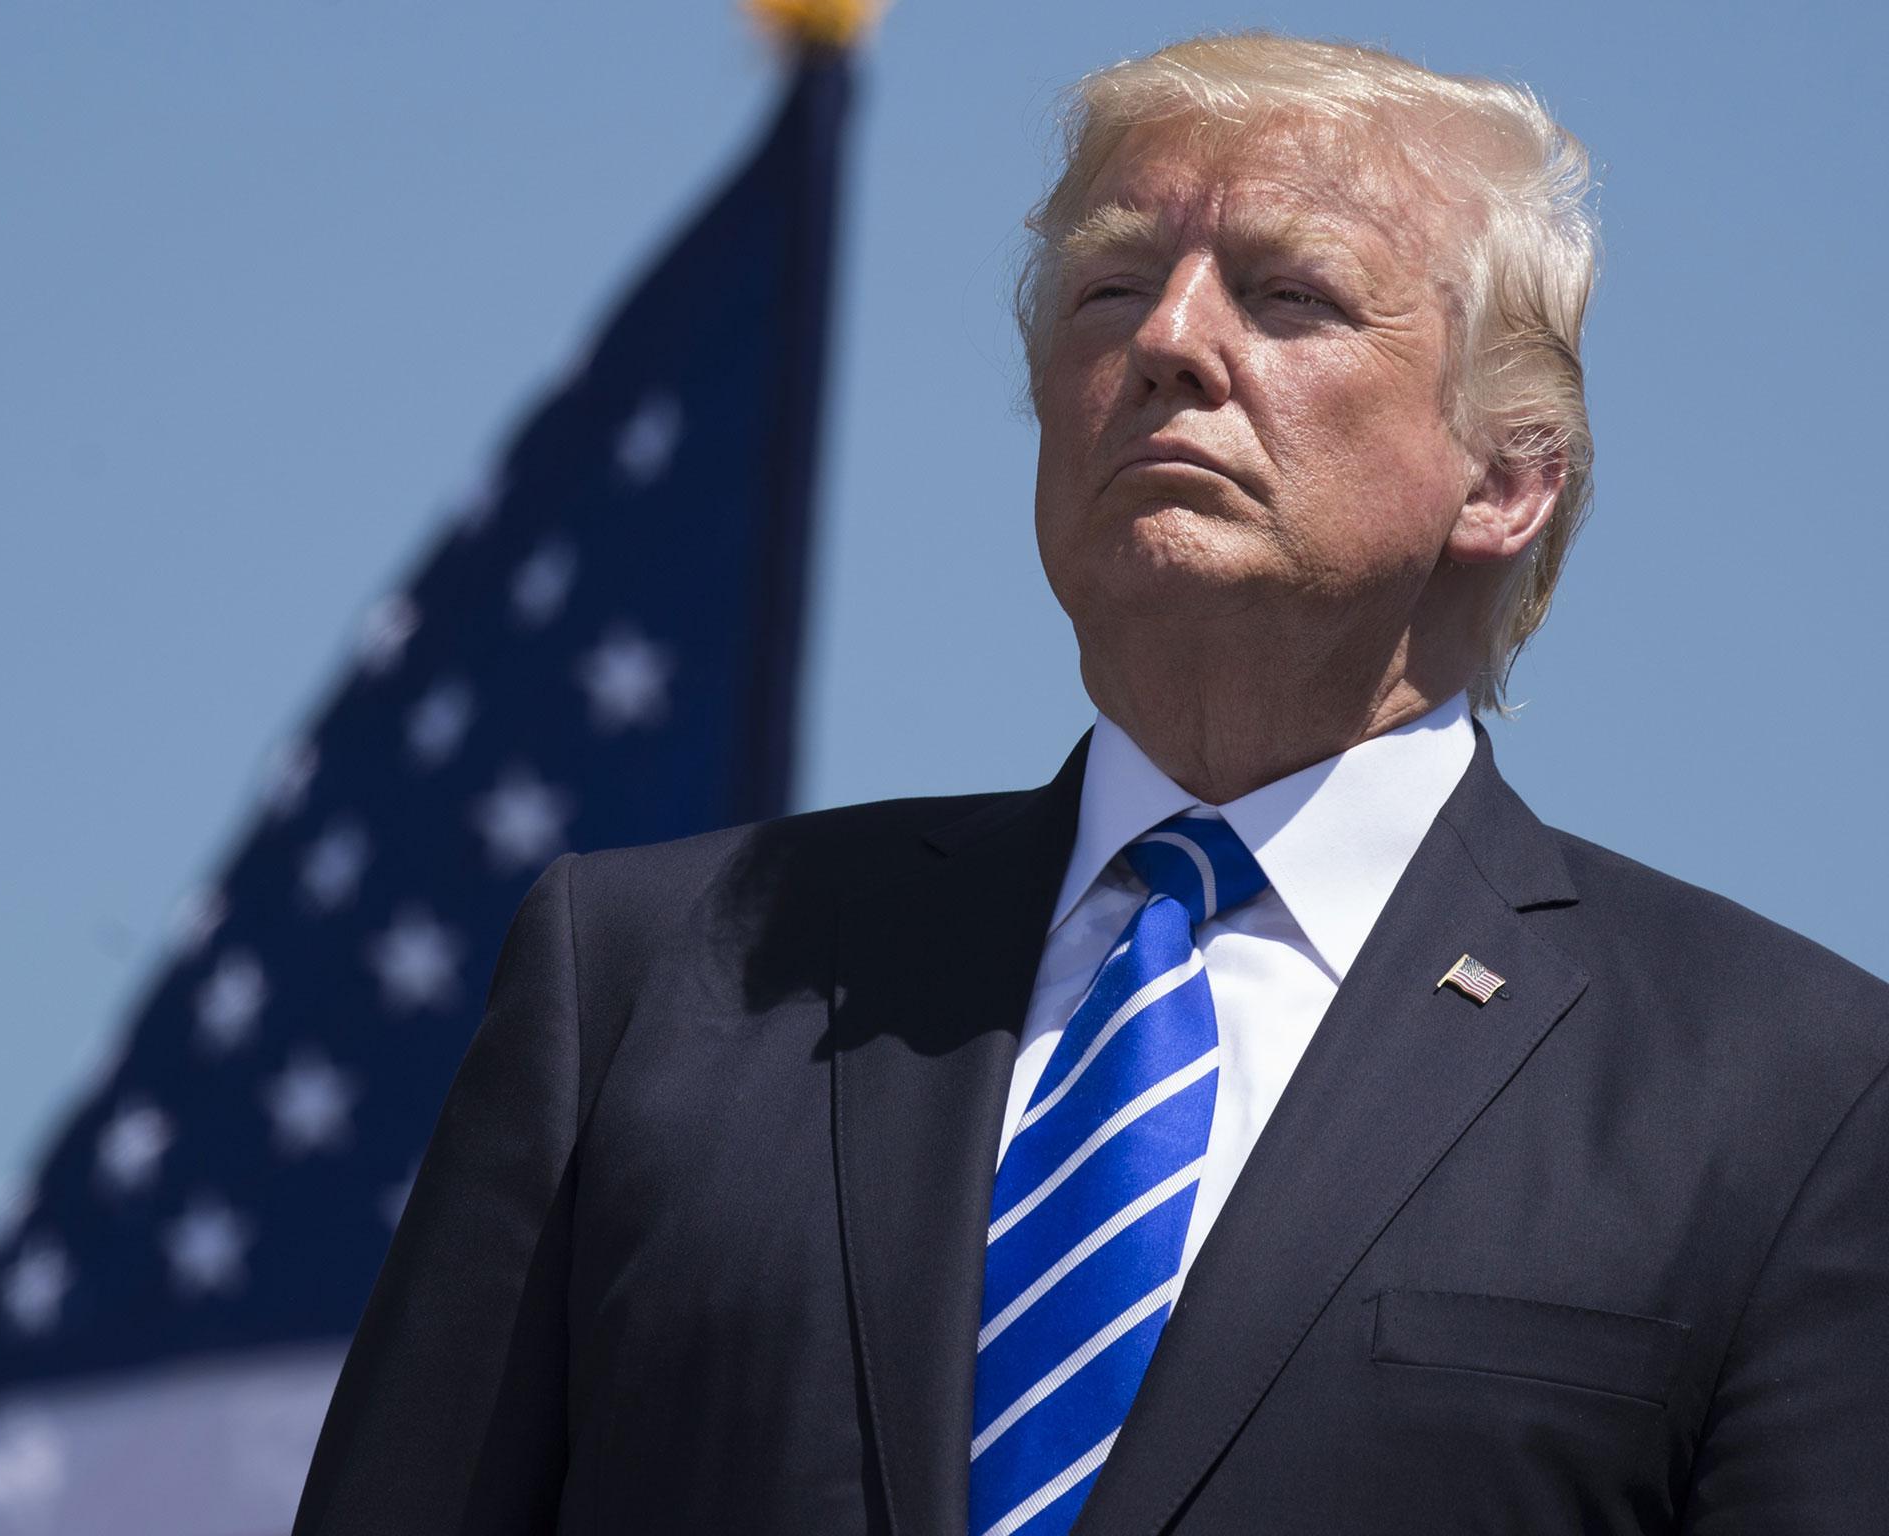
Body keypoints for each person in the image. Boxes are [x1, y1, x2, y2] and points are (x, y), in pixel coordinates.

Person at [293, 31, 1889, 1536]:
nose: (1168, 343)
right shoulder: (652, 981)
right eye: (1110, 286)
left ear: (1509, 473)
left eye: (1290, 296)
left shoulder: (1793, 1091)